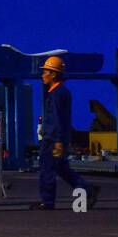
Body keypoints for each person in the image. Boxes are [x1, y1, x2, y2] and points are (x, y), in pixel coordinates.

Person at [30, 55, 99, 211]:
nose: (43, 74)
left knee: (47, 168)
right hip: (57, 137)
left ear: (54, 74)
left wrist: (58, 141)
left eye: (46, 71)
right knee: (62, 168)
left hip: (53, 139)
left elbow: (57, 118)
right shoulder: (62, 91)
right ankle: (87, 189)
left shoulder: (56, 94)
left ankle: (47, 202)